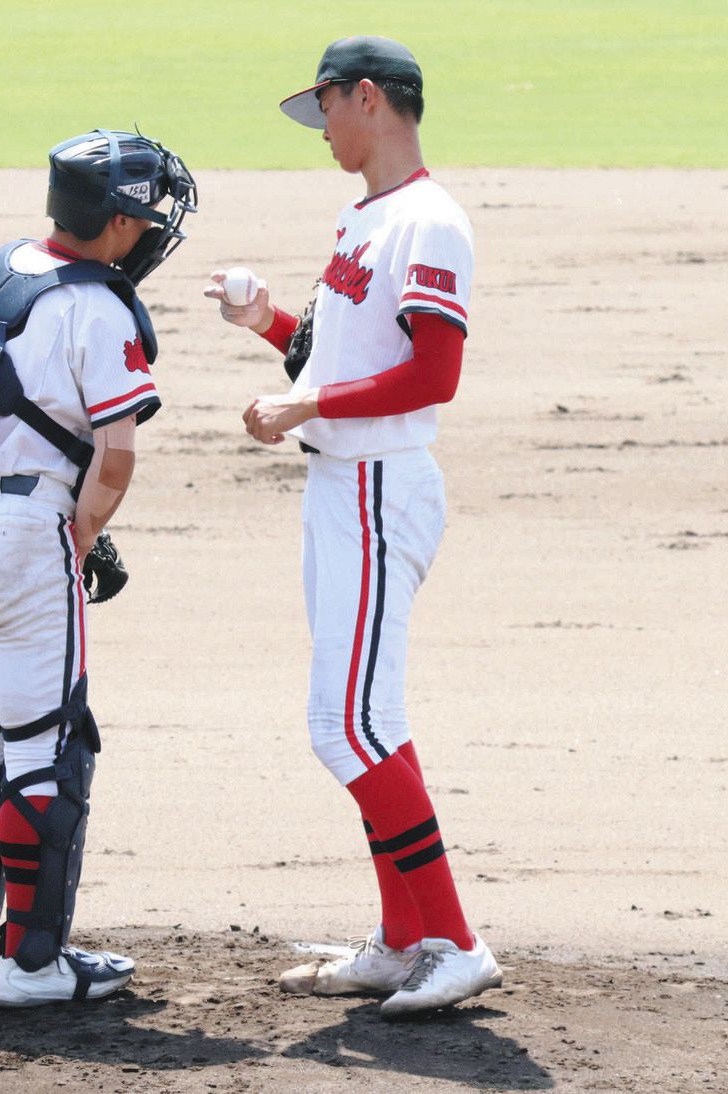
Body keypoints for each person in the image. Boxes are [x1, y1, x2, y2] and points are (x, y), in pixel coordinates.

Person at [206, 36, 501, 1016]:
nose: (319, 128)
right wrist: (267, 323)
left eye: (324, 107)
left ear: (366, 98)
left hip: (378, 488)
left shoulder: (430, 222)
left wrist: (303, 404)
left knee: (345, 725)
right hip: (340, 488)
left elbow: (431, 376)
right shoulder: (364, 214)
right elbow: (334, 357)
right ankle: (401, 937)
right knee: (370, 720)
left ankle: (454, 940)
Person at [0, 129, 197, 1007]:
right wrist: (79, 531)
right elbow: (115, 457)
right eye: (144, 218)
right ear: (115, 222)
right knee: (47, 753)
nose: (152, 232)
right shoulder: (99, 310)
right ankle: (36, 966)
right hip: (25, 542)